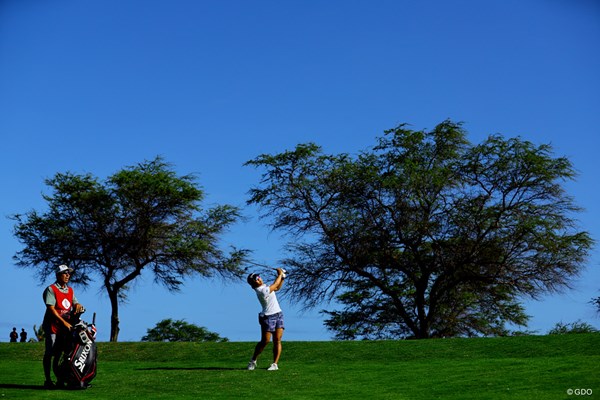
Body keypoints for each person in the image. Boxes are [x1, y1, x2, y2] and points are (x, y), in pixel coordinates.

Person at [42, 264, 85, 389]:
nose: (68, 275)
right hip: (53, 326)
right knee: (50, 353)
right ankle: (48, 379)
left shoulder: (70, 290)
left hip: (65, 328)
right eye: (65, 273)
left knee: (62, 353)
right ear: (58, 275)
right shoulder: (51, 289)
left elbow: (75, 302)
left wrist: (78, 305)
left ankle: (61, 379)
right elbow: (51, 309)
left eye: (69, 273)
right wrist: (64, 322)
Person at [246, 268, 286, 371]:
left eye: (258, 277)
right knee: (265, 341)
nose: (259, 279)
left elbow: (277, 288)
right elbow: (275, 284)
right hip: (268, 317)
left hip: (278, 314)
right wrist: (279, 274)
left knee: (277, 340)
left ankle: (274, 364)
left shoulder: (265, 287)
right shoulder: (261, 290)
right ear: (253, 284)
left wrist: (282, 278)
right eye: (256, 279)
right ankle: (253, 360)